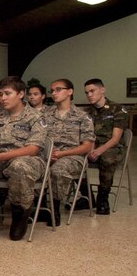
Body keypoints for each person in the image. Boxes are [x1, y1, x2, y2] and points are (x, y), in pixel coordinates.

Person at [0, 76, 46, 240]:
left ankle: (20, 215)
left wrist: (0, 156)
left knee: (19, 167)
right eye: (0, 94)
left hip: (28, 159)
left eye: (7, 94)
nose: (2, 98)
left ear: (20, 94)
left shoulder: (35, 117)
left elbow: (33, 149)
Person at [43, 79, 95, 225]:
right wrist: (49, 152)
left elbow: (87, 146)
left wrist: (61, 154)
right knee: (28, 165)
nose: (54, 93)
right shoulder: (45, 114)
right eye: (52, 90)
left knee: (58, 170)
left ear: (70, 92)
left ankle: (54, 208)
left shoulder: (82, 116)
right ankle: (35, 207)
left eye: (58, 89)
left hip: (73, 157)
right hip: (48, 154)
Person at [84, 78, 127, 215]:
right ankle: (87, 196)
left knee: (107, 159)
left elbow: (116, 138)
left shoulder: (117, 109)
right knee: (73, 158)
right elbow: (84, 135)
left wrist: (99, 150)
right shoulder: (86, 112)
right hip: (92, 145)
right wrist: (90, 149)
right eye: (87, 93)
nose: (89, 95)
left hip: (112, 147)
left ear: (102, 90)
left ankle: (103, 198)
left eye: (92, 91)